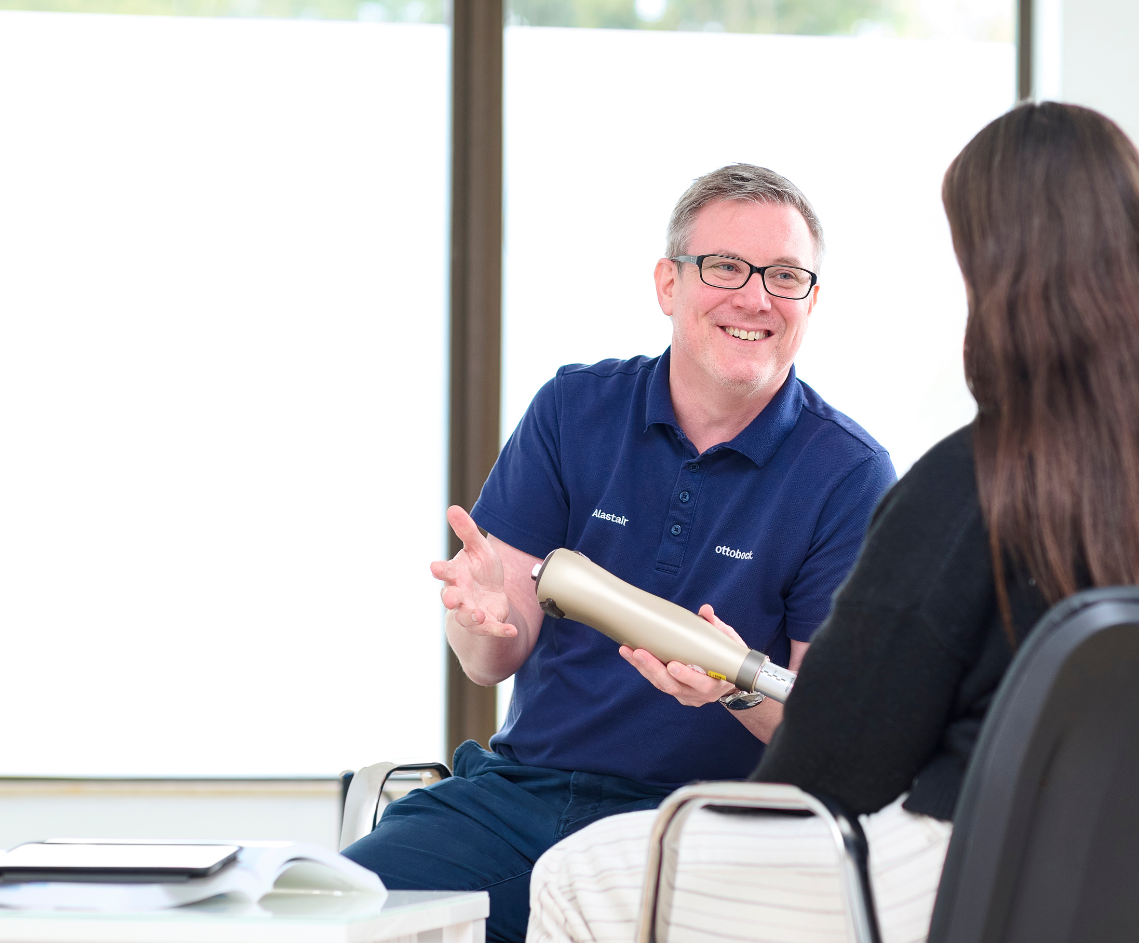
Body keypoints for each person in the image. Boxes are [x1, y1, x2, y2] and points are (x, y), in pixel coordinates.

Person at [526, 102, 1139, 943]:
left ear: (1001, 274)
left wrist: (731, 688)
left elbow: (829, 767)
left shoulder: (977, 479)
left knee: (577, 874)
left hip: (978, 873)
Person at [340, 164, 897, 943]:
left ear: (810, 301)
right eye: (725, 267)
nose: (755, 297)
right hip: (519, 797)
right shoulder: (574, 409)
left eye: (785, 276)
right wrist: (484, 620)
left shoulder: (846, 472)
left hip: (702, 821)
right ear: (668, 283)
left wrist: (733, 687)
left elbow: (830, 729)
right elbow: (488, 656)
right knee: (340, 915)